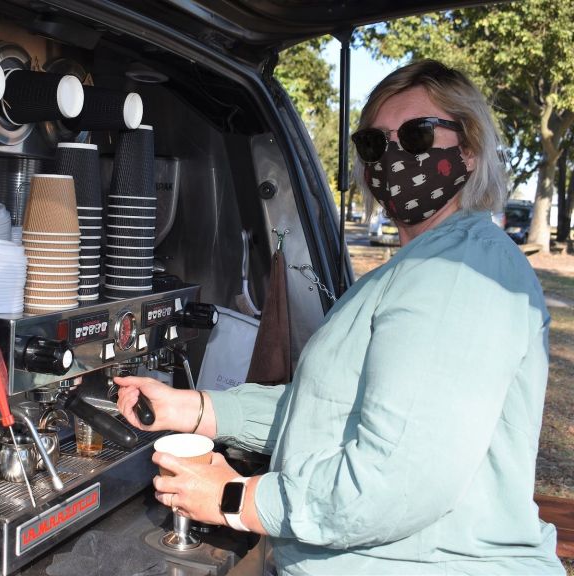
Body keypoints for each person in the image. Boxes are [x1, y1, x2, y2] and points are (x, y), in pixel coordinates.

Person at [116, 59, 564, 575]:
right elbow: (328, 412)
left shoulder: (460, 271)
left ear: (468, 147)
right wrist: (196, 409)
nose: (393, 157)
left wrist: (236, 499)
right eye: (375, 144)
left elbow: (396, 482)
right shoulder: (416, 268)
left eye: (417, 135)